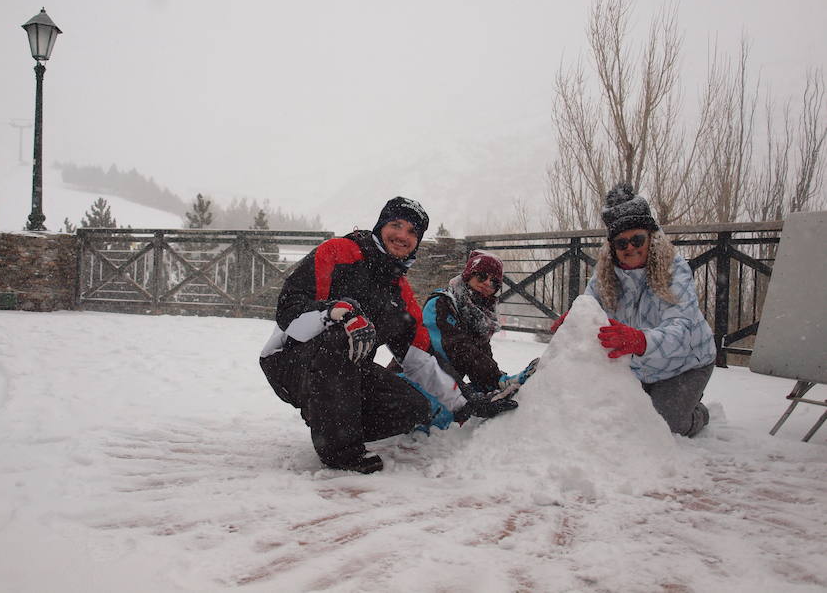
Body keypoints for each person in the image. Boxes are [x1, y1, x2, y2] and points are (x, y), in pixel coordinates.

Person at [259, 197, 518, 474]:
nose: (403, 236)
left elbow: (420, 359)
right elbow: (288, 313)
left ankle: (330, 420)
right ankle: (340, 451)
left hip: (345, 371)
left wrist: (466, 404)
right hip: (289, 361)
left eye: (412, 232)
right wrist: (334, 312)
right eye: (397, 225)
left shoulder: (400, 294)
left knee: (413, 407)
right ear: (381, 225)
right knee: (342, 334)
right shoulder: (338, 252)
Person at [551, 183, 716, 437]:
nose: (629, 247)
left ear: (651, 238)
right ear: (613, 247)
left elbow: (682, 330)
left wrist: (641, 340)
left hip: (686, 363)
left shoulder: (674, 270)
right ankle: (655, 394)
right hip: (638, 363)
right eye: (621, 242)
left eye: (637, 239)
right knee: (616, 412)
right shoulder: (606, 274)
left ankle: (698, 412)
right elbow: (589, 307)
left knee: (664, 424)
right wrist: (575, 321)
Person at [422, 250, 537, 395]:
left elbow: (481, 354)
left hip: (443, 386)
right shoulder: (441, 303)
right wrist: (496, 380)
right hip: (412, 385)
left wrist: (494, 382)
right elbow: (456, 349)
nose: (488, 283)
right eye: (482, 276)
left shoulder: (478, 316)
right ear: (468, 276)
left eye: (494, 282)